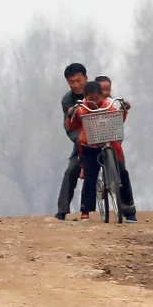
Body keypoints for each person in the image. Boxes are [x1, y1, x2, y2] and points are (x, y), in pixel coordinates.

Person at [66, 81, 137, 222]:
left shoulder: (108, 107)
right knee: (90, 179)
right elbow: (72, 124)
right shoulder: (81, 109)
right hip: (89, 148)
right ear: (85, 97)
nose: (94, 103)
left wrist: (124, 110)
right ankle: (86, 210)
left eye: (97, 99)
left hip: (108, 144)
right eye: (91, 100)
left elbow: (117, 121)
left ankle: (129, 210)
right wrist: (70, 115)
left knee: (122, 173)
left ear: (102, 97)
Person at [56, 63, 88, 220]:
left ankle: (126, 207)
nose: (76, 85)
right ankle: (62, 210)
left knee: (120, 166)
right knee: (71, 169)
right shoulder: (67, 100)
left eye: (78, 80)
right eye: (71, 82)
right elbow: (69, 127)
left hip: (104, 134)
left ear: (86, 78)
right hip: (82, 139)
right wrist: (80, 139)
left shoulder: (97, 90)